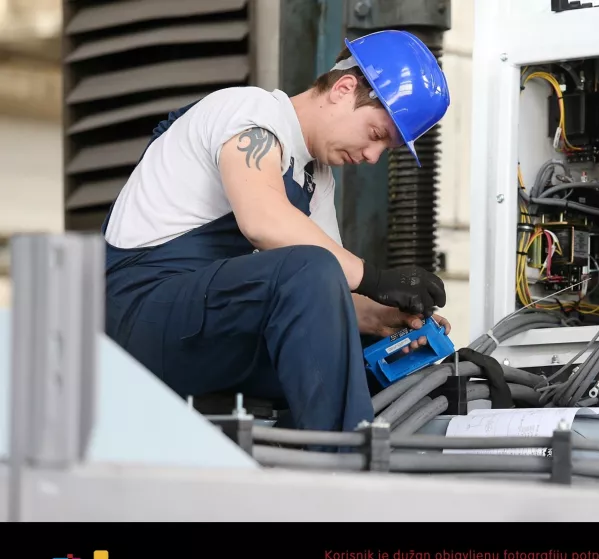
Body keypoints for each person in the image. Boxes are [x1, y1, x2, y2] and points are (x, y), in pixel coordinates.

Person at [100, 30, 452, 436]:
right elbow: (263, 221)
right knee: (310, 270)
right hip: (138, 314)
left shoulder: (317, 179)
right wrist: (377, 279)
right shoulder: (253, 112)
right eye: (376, 135)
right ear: (343, 89)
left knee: (364, 355)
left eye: (385, 149)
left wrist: (388, 319)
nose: (372, 156)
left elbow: (325, 297)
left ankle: (378, 444)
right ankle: (345, 462)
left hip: (205, 325)